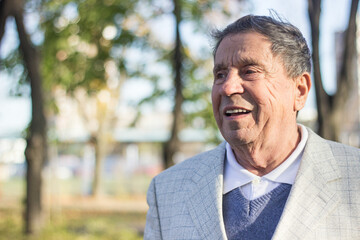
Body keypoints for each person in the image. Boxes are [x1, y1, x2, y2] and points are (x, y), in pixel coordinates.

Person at [144, 14, 360, 240]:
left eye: (249, 71)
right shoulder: (167, 191)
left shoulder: (354, 179)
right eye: (220, 74)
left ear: (299, 90)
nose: (228, 87)